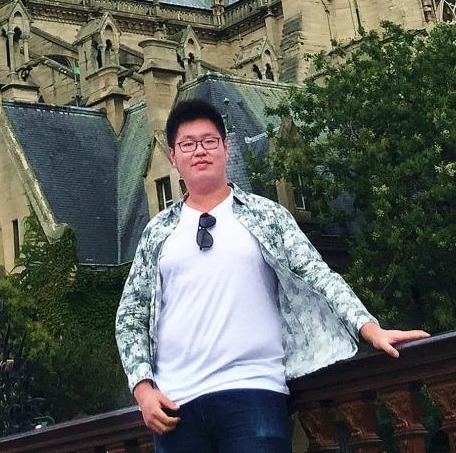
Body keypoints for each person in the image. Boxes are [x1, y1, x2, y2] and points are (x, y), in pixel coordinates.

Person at [115, 99, 429, 453]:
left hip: (252, 391)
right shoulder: (157, 232)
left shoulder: (267, 216)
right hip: (176, 405)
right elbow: (130, 315)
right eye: (188, 144)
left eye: (209, 141)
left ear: (225, 148)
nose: (199, 151)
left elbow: (317, 275)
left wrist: (369, 328)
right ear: (173, 156)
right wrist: (143, 390)